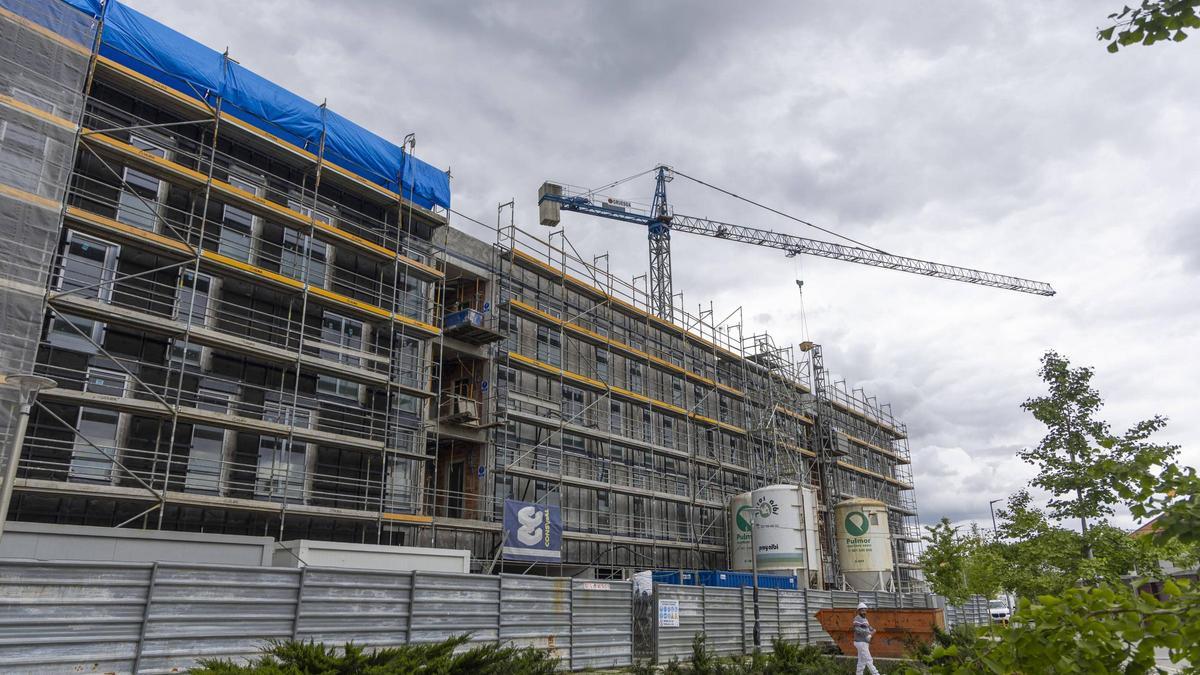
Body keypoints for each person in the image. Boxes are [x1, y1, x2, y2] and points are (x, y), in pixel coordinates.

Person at [853, 601, 880, 675]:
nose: (864, 612)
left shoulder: (865, 619)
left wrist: (872, 629)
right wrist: (868, 632)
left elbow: (868, 626)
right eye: (862, 610)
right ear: (858, 611)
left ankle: (859, 673)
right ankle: (876, 674)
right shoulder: (857, 618)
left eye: (865, 610)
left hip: (864, 642)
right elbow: (857, 629)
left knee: (862, 661)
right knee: (868, 659)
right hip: (860, 642)